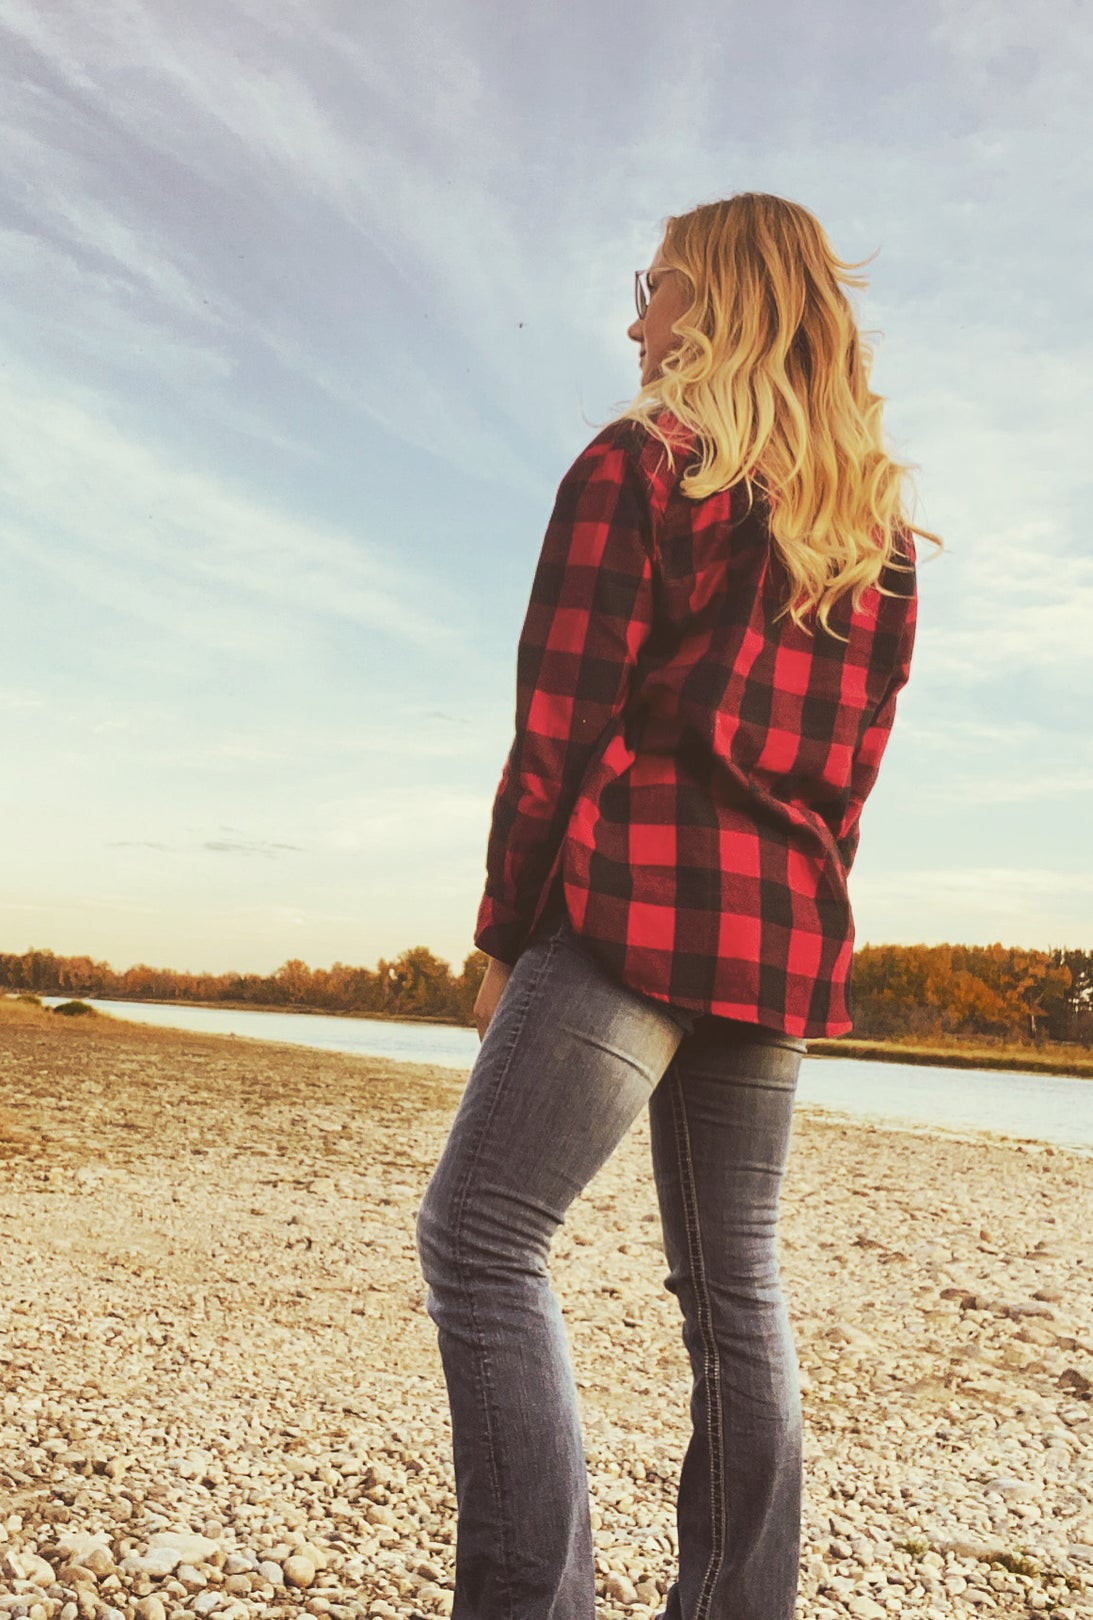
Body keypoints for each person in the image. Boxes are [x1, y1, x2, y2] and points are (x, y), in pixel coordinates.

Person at [415, 192, 940, 1620]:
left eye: (650, 285)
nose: (630, 317)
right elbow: (847, 788)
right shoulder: (871, 534)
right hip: (778, 934)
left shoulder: (640, 466)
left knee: (479, 1237)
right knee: (733, 1295)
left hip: (634, 909)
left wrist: (499, 934)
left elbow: (558, 730)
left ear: (710, 301)